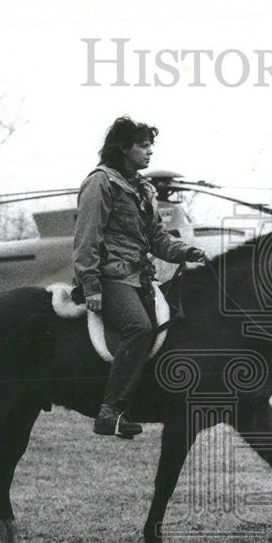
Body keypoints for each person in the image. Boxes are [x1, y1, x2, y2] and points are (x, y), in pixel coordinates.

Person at [73, 116, 206, 438]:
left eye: (151, 146)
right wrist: (90, 284)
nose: (149, 153)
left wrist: (184, 252)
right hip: (110, 276)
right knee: (139, 328)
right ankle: (109, 412)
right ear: (123, 147)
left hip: (140, 277)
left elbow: (157, 238)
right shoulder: (100, 182)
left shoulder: (143, 187)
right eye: (143, 146)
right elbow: (87, 237)